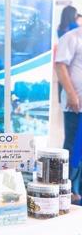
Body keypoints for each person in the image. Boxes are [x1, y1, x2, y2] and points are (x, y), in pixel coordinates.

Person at [55, 20, 82, 201]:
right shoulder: (72, 37)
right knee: (73, 148)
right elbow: (60, 66)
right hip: (76, 106)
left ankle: (78, 188)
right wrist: (72, 95)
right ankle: (68, 189)